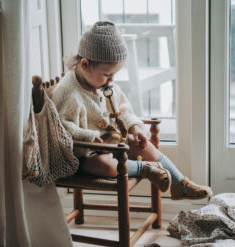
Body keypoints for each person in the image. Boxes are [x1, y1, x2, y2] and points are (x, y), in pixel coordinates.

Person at [51, 21, 212, 200]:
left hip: (112, 144)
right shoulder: (67, 92)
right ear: (84, 65)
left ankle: (179, 183)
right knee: (105, 165)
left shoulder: (105, 85)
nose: (111, 80)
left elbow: (123, 109)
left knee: (145, 146)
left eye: (115, 75)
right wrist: (87, 136)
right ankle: (147, 169)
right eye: (107, 75)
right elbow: (61, 128)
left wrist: (134, 128)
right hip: (82, 155)